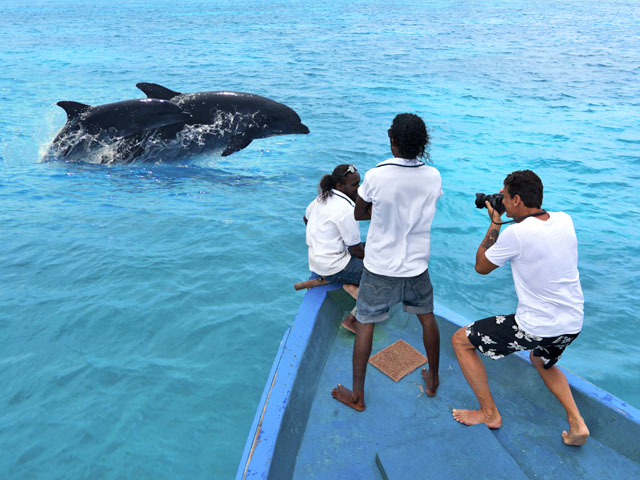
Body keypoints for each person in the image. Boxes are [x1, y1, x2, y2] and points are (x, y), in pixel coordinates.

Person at [451, 169, 590, 446]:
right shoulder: (565, 220)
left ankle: (489, 413)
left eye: (503, 196)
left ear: (516, 200)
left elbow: (481, 267)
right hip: (572, 323)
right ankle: (577, 423)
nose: (501, 200)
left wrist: (494, 222)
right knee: (540, 360)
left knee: (461, 341)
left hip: (537, 326)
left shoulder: (515, 233)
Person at [332, 113, 443, 411]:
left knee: (365, 323)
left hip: (381, 266)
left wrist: (380, 213)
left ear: (393, 140)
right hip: (417, 264)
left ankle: (357, 396)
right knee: (427, 317)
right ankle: (432, 380)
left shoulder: (377, 175)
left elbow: (359, 213)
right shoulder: (433, 176)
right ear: (422, 143)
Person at [304, 164, 365, 331]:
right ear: (340, 185)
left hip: (318, 261)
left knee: (375, 249)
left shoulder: (322, 197)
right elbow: (357, 252)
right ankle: (353, 319)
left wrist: (322, 242)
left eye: (359, 184)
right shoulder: (346, 210)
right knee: (382, 273)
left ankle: (349, 283)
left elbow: (306, 217)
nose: (358, 189)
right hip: (334, 266)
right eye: (354, 185)